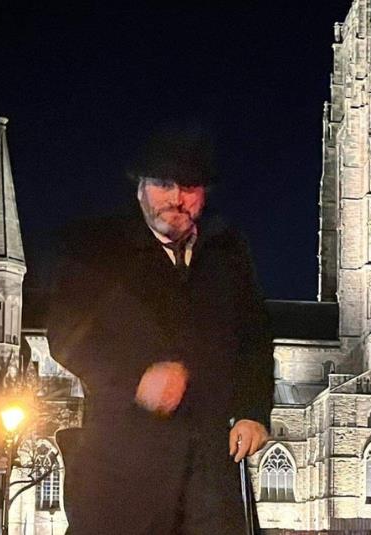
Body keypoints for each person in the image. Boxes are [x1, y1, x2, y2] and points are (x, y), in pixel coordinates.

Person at [47, 126, 273, 534]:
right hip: (123, 460)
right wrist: (137, 378)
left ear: (203, 193)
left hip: (208, 467)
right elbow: (67, 336)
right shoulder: (97, 249)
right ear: (140, 189)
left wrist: (254, 412)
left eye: (188, 187)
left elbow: (255, 339)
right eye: (163, 184)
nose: (176, 199)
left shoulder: (229, 252)